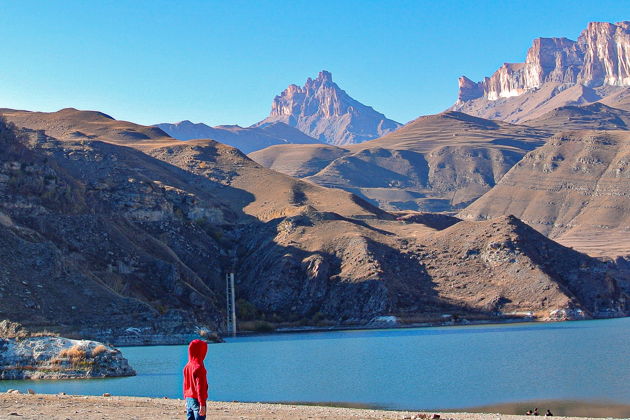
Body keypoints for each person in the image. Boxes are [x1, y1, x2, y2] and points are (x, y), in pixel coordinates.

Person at [183, 339, 208, 420]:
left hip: (189, 399)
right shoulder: (199, 368)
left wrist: (185, 399)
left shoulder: (187, 366)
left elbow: (185, 385)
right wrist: (202, 404)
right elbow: (200, 388)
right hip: (197, 400)